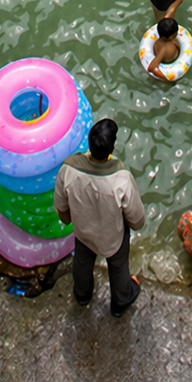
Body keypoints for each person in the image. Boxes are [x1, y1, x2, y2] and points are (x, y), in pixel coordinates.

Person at [54, 117, 145, 317]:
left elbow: (61, 208)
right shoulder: (122, 180)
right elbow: (137, 221)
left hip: (83, 232)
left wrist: (71, 220)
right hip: (112, 238)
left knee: (82, 262)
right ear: (112, 149)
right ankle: (120, 301)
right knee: (118, 266)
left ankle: (82, 295)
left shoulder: (67, 170)